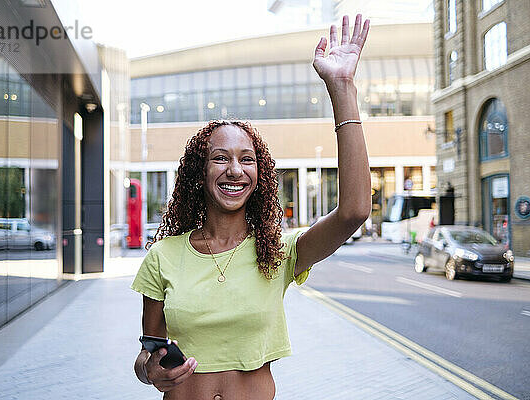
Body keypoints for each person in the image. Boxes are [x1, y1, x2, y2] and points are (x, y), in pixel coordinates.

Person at [132, 14, 371, 400]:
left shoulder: (279, 252)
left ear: (259, 174)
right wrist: (151, 372)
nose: (234, 169)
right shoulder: (163, 256)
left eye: (247, 159)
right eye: (220, 158)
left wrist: (342, 88)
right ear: (199, 172)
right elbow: (147, 356)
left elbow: (354, 211)